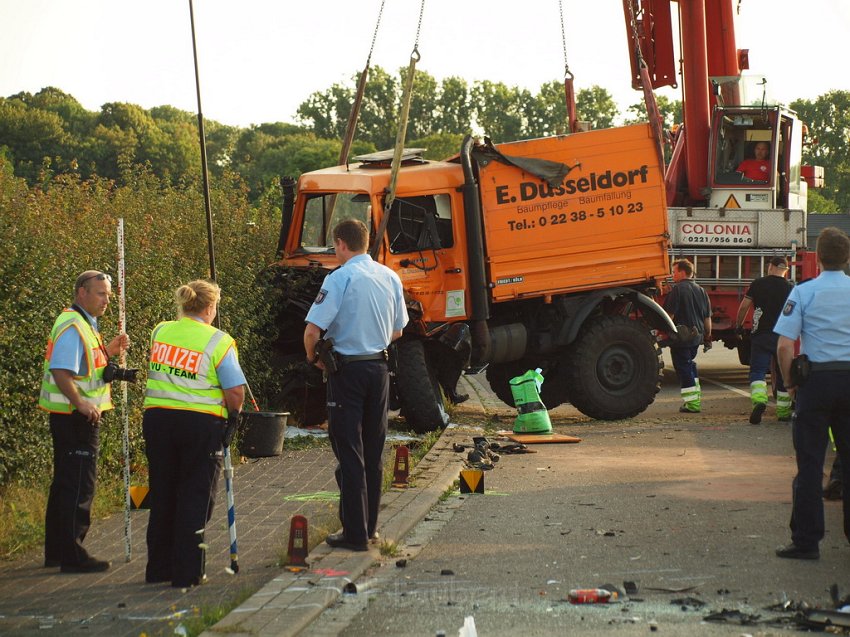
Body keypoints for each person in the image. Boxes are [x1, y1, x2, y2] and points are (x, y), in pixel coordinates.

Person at [304, 219, 408, 551]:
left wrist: (314, 359)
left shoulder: (340, 278)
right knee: (374, 449)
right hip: (378, 369)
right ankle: (371, 527)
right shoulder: (390, 276)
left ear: (340, 244)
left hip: (346, 373)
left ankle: (355, 534)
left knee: (349, 449)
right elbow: (398, 330)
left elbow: (311, 331)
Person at [142, 280, 245, 587]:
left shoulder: (160, 331)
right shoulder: (219, 341)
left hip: (158, 420)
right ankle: (187, 572)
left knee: (163, 493)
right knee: (195, 496)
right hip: (200, 425)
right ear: (210, 307)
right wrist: (234, 418)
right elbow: (235, 391)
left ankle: (158, 569)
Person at [39, 270, 129, 573]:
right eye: (100, 294)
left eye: (107, 294)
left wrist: (110, 350)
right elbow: (62, 372)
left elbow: (86, 366)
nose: (106, 300)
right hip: (76, 417)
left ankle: (57, 551)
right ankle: (72, 555)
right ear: (82, 292)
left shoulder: (83, 324)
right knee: (79, 485)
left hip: (72, 416)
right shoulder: (74, 326)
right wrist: (82, 403)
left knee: (66, 482)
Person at [774, 226, 850, 560]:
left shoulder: (803, 293)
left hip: (816, 384)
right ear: (847, 258)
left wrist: (791, 383)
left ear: (817, 258)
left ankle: (806, 542)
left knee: (809, 465)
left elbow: (784, 345)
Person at [735, 256, 794, 424]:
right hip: (782, 336)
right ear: (785, 270)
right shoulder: (790, 288)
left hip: (761, 335)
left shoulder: (758, 284)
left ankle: (759, 400)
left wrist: (738, 325)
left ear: (771, 267)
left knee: (758, 370)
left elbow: (744, 306)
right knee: (783, 374)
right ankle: (783, 412)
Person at [663, 259, 712, 413]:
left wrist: (660, 333)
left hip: (681, 338)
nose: (672, 275)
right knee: (690, 364)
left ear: (683, 272)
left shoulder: (677, 290)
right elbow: (707, 318)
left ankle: (692, 403)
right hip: (696, 337)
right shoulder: (701, 290)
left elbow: (668, 316)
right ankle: (695, 398)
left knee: (683, 367)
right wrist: (708, 336)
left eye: (674, 271)